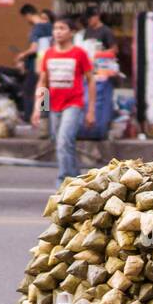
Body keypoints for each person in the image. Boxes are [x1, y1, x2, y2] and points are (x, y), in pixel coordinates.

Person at [33, 15, 94, 182]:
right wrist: (40, 109)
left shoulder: (79, 53)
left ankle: (64, 181)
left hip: (74, 104)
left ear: (71, 32)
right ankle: (78, 179)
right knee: (63, 142)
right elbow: (43, 82)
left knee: (63, 141)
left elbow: (91, 80)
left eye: (62, 28)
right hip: (54, 106)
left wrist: (91, 110)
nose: (57, 32)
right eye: (55, 29)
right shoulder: (48, 54)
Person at [15, 3, 53, 122]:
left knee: (28, 89)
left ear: (28, 15)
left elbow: (34, 48)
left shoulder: (36, 28)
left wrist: (21, 55)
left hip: (36, 64)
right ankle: (44, 115)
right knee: (44, 88)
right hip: (49, 63)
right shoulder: (50, 26)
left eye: (25, 17)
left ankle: (30, 117)